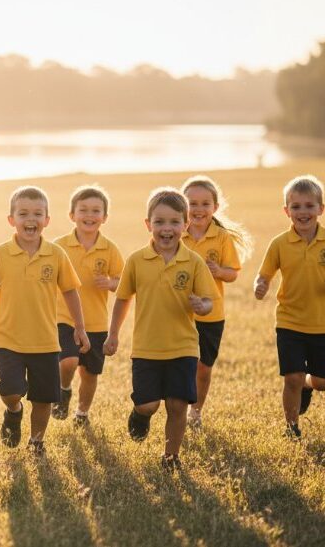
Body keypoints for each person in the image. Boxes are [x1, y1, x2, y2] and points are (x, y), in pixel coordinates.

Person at [0, 186, 87, 456]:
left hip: (45, 342)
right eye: (23, 213)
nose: (31, 219)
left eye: (37, 214)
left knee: (43, 399)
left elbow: (70, 291)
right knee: (11, 390)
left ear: (47, 220)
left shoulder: (56, 254)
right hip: (9, 339)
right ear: (11, 220)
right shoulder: (0, 254)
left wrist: (79, 327)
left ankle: (36, 442)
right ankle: (13, 411)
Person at [104, 188, 216, 473]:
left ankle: (171, 457)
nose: (167, 229)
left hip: (184, 347)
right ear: (148, 224)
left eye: (174, 222)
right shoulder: (137, 260)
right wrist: (113, 334)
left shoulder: (193, 262)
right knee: (149, 404)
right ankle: (140, 415)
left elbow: (208, 301)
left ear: (186, 224)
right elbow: (123, 298)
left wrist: (201, 306)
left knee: (177, 406)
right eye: (160, 222)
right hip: (146, 348)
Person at [254, 175, 325, 440]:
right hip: (289, 321)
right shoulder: (279, 243)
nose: (303, 212)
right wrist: (261, 285)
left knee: (322, 382)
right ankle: (291, 427)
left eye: (309, 206)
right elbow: (263, 274)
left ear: (321, 209)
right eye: (296, 206)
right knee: (292, 378)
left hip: (323, 324)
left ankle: (309, 387)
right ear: (286, 211)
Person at [181, 176, 252, 428]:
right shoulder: (175, 233)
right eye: (192, 203)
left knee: (203, 367)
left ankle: (196, 411)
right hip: (179, 314)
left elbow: (233, 273)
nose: (198, 209)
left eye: (204, 204)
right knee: (181, 364)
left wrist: (219, 271)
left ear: (215, 207)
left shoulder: (221, 238)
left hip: (211, 315)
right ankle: (177, 408)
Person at [51, 185, 123, 427]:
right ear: (72, 215)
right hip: (64, 317)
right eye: (83, 210)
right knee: (68, 361)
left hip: (96, 321)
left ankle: (82, 413)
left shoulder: (110, 249)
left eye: (95, 211)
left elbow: (124, 284)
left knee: (90, 373)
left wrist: (111, 283)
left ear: (104, 217)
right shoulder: (58, 245)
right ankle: (63, 389)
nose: (89, 215)